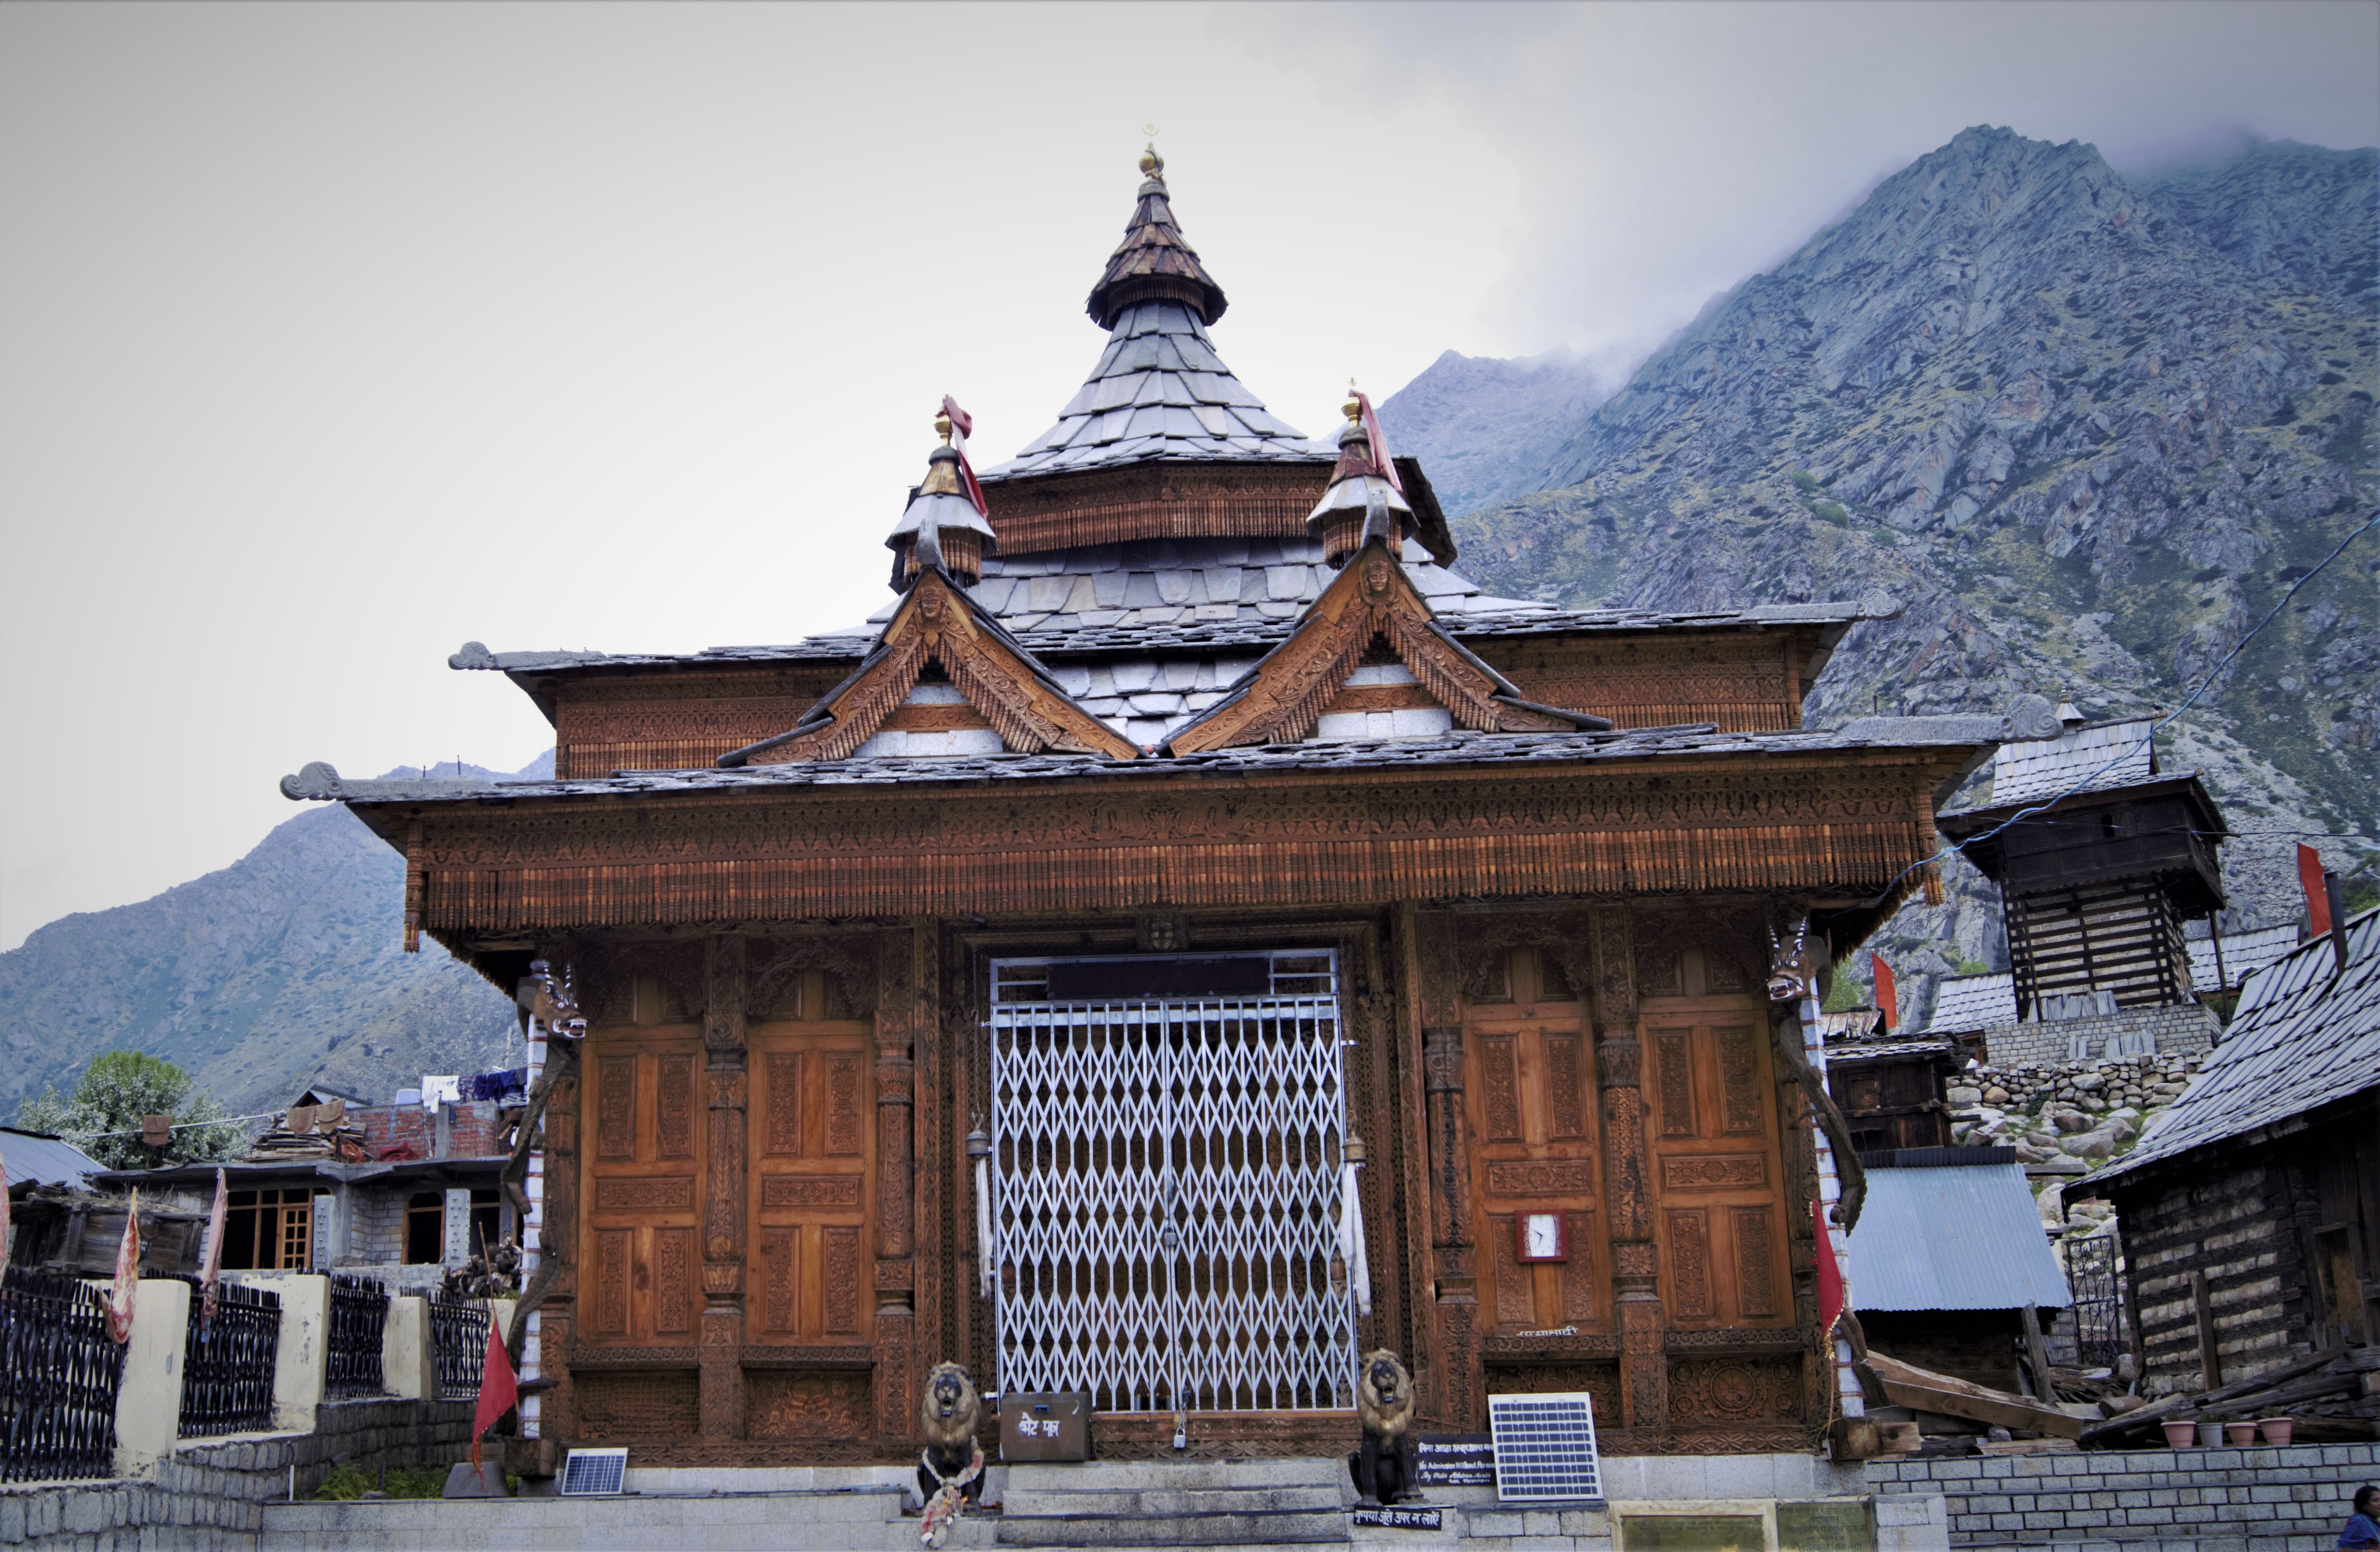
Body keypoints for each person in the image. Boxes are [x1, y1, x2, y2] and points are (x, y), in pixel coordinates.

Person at [2341, 1485, 2380, 1551]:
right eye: (2375, 1500)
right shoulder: (2358, 1521)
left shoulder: (2374, 1524)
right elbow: (2342, 1549)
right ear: (2364, 1505)